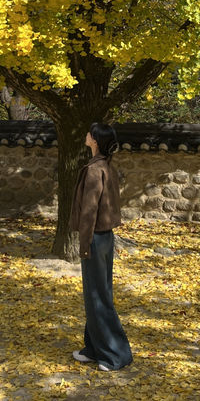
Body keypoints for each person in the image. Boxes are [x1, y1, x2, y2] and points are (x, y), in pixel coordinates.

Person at [69, 122, 133, 372]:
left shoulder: (96, 170)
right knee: (96, 294)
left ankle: (115, 355)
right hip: (105, 238)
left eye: (89, 133)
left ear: (94, 140)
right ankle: (94, 348)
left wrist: (84, 243)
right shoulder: (105, 166)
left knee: (98, 296)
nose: (85, 134)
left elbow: (89, 211)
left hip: (96, 237)